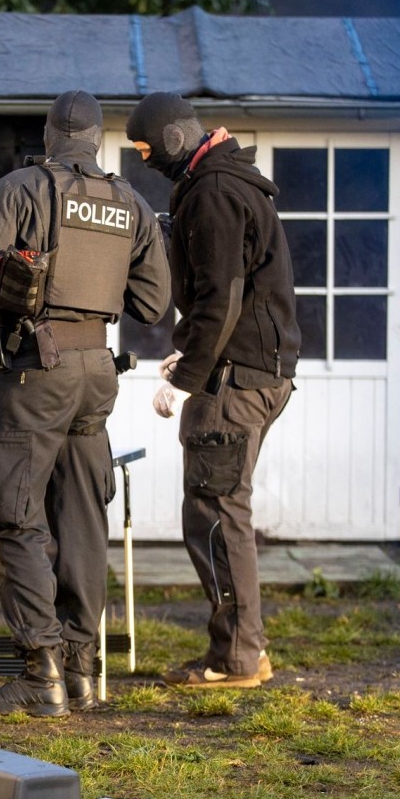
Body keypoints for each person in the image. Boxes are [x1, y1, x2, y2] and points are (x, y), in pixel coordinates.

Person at [0, 90, 171, 717]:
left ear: (52, 133)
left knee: (9, 512)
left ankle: (41, 669)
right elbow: (152, 303)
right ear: (98, 138)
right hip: (98, 374)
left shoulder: (22, 188)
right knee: (82, 515)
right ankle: (82, 670)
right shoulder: (129, 202)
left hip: (36, 373)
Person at [125, 90, 300, 689]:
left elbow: (222, 297)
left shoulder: (216, 192)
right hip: (251, 369)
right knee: (220, 512)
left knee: (215, 516)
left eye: (147, 149)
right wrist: (190, 349)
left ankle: (237, 660)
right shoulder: (228, 181)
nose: (145, 159)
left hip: (236, 381)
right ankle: (240, 650)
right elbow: (227, 297)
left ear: (174, 139)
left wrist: (190, 376)